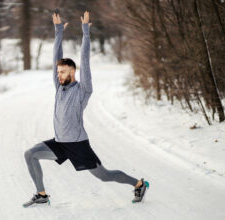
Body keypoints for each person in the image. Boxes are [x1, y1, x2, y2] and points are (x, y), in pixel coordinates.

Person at [23, 10, 149, 208]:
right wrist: (58, 33)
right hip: (60, 143)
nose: (58, 75)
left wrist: (86, 33)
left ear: (72, 72)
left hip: (78, 145)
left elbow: (85, 61)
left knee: (105, 176)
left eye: (63, 72)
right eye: (58, 72)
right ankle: (41, 194)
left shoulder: (83, 89)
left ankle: (139, 184)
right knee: (30, 154)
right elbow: (57, 58)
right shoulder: (59, 88)